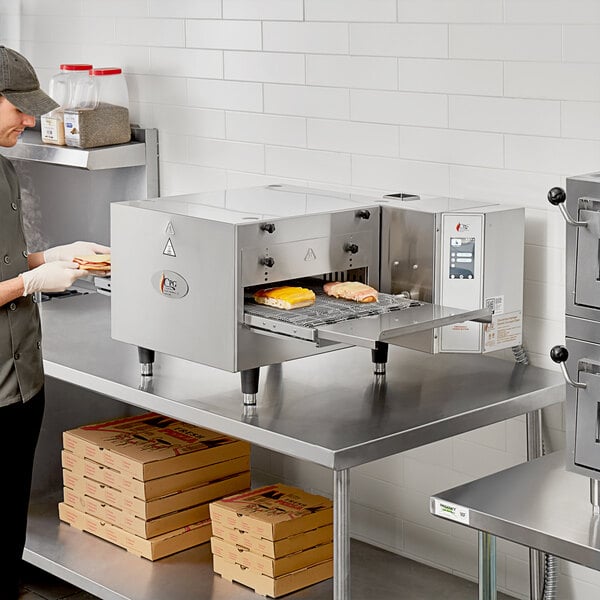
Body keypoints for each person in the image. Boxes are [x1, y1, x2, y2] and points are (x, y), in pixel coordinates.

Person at [0, 46, 110, 599]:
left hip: (22, 384)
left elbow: (5, 261)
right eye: (17, 107)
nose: (28, 119)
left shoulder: (5, 168)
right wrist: (28, 285)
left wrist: (51, 257)